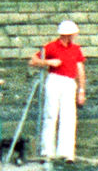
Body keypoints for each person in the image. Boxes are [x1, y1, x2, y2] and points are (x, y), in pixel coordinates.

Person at [29, 20, 85, 162]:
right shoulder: (51, 47)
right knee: (50, 114)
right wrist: (48, 62)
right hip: (54, 80)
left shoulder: (76, 49)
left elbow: (80, 69)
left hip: (69, 82)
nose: (75, 36)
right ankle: (47, 151)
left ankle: (66, 152)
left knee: (69, 117)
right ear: (67, 35)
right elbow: (33, 60)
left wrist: (81, 90)